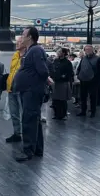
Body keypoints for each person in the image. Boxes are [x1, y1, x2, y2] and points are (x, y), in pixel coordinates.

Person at [12, 27, 49, 162]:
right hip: (28, 91)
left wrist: (35, 83)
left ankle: (28, 151)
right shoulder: (30, 51)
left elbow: (43, 71)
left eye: (23, 34)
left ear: (30, 37)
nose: (21, 37)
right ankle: (37, 149)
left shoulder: (36, 50)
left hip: (31, 92)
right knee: (35, 120)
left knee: (28, 121)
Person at [76, 45, 100, 118]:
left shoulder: (98, 59)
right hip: (83, 80)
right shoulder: (84, 58)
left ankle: (93, 112)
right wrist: (78, 75)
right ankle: (83, 111)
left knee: (93, 97)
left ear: (92, 50)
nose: (87, 51)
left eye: (89, 49)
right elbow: (79, 68)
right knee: (83, 96)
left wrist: (95, 79)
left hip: (93, 81)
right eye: (86, 50)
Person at [5, 41, 25, 143]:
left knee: (24, 113)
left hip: (21, 89)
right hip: (11, 88)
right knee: (14, 113)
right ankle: (17, 134)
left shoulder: (27, 56)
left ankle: (26, 135)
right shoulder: (15, 55)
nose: (16, 44)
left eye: (19, 42)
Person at [51, 47, 73, 120]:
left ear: (63, 53)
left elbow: (70, 73)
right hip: (55, 82)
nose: (58, 52)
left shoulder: (67, 62)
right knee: (55, 100)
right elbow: (52, 69)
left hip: (63, 82)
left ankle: (63, 115)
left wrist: (64, 76)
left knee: (62, 100)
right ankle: (56, 114)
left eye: (59, 51)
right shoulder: (55, 61)